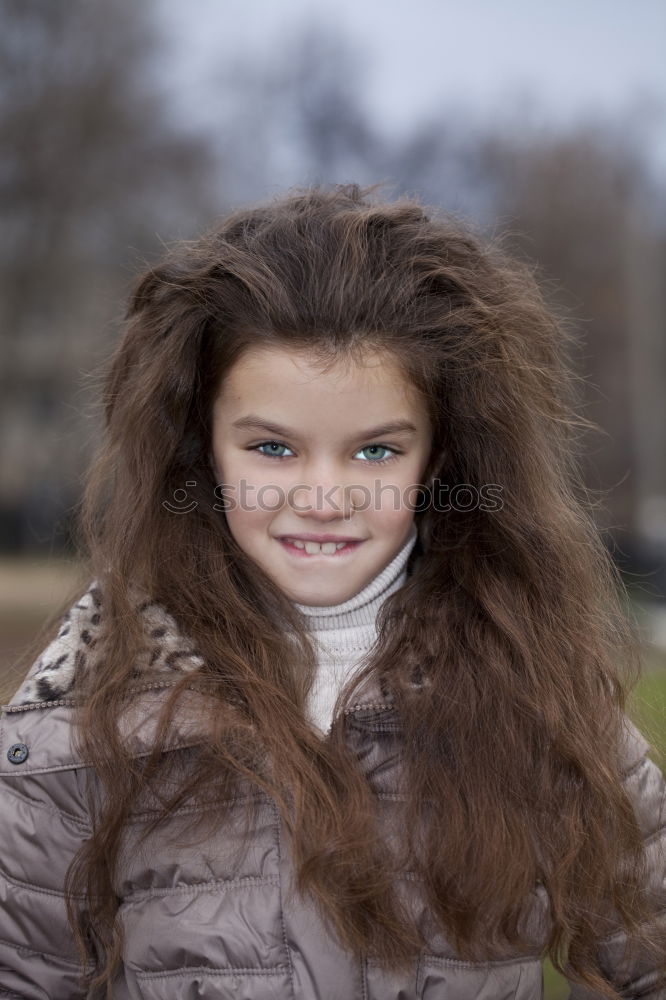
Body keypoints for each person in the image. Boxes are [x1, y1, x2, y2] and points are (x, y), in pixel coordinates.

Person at [0, 183, 664, 1000]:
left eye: (375, 452)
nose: (323, 496)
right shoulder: (79, 716)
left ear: (441, 458)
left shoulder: (535, 690)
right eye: (273, 448)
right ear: (199, 449)